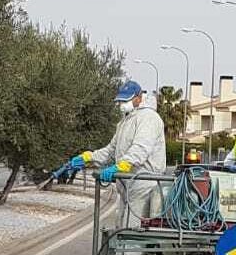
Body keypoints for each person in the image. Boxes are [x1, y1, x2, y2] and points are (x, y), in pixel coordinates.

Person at [67, 80, 166, 228]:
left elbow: (140, 149)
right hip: (127, 186)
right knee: (120, 229)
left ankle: (128, 252)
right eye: (120, 100)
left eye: (126, 100)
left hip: (143, 187)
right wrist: (88, 158)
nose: (122, 104)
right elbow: (111, 151)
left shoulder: (149, 118)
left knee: (131, 236)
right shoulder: (125, 121)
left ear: (139, 97)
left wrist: (119, 167)